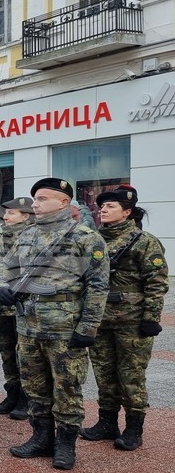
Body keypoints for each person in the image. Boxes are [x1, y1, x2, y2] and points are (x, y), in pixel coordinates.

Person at [0, 178, 108, 470]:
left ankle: (66, 445)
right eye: (35, 199)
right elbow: (6, 267)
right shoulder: (27, 234)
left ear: (63, 202)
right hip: (28, 324)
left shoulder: (85, 237)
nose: (35, 204)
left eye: (43, 198)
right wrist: (1, 287)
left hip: (64, 327)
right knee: (34, 386)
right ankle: (41, 438)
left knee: (67, 387)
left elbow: (98, 286)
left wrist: (88, 326)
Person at [80, 185, 167, 451]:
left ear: (127, 212)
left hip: (132, 321)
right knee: (104, 374)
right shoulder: (94, 240)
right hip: (100, 319)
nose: (103, 210)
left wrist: (151, 317)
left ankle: (133, 429)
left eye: (110, 206)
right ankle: (107, 424)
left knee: (131, 377)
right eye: (102, 206)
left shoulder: (144, 241)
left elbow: (156, 282)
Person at [0, 197, 35, 419]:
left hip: (23, 306)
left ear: (25, 216)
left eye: (10, 213)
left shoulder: (34, 238)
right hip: (1, 304)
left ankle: (27, 398)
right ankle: (12, 392)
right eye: (5, 213)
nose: (5, 217)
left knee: (24, 354)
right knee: (7, 352)